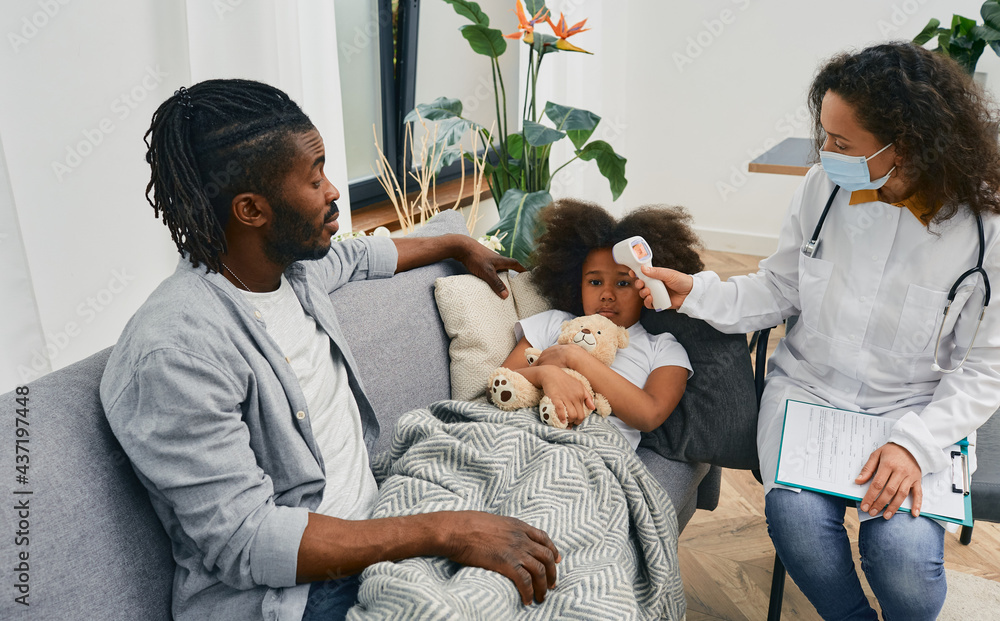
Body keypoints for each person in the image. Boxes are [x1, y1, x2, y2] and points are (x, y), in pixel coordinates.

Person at [99, 79, 559, 621]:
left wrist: (457, 242)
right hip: (298, 596)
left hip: (383, 522)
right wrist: (447, 532)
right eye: (315, 178)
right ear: (251, 209)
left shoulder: (291, 268)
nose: (335, 191)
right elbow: (250, 544)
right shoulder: (175, 353)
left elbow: (364, 256)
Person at [635, 42, 1000, 620]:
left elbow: (986, 368)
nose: (826, 153)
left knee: (901, 558)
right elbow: (780, 289)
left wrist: (915, 445)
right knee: (798, 523)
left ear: (901, 147)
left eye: (841, 142)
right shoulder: (822, 190)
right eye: (825, 136)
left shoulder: (987, 228)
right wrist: (697, 293)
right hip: (812, 392)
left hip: (917, 410)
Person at [497, 199, 702, 448]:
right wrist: (546, 373)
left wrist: (573, 357)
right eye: (595, 282)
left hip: (595, 450)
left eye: (623, 283)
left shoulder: (663, 347)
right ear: (576, 284)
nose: (607, 294)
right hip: (523, 433)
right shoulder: (555, 323)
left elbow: (650, 415)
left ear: (645, 287)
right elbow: (501, 383)